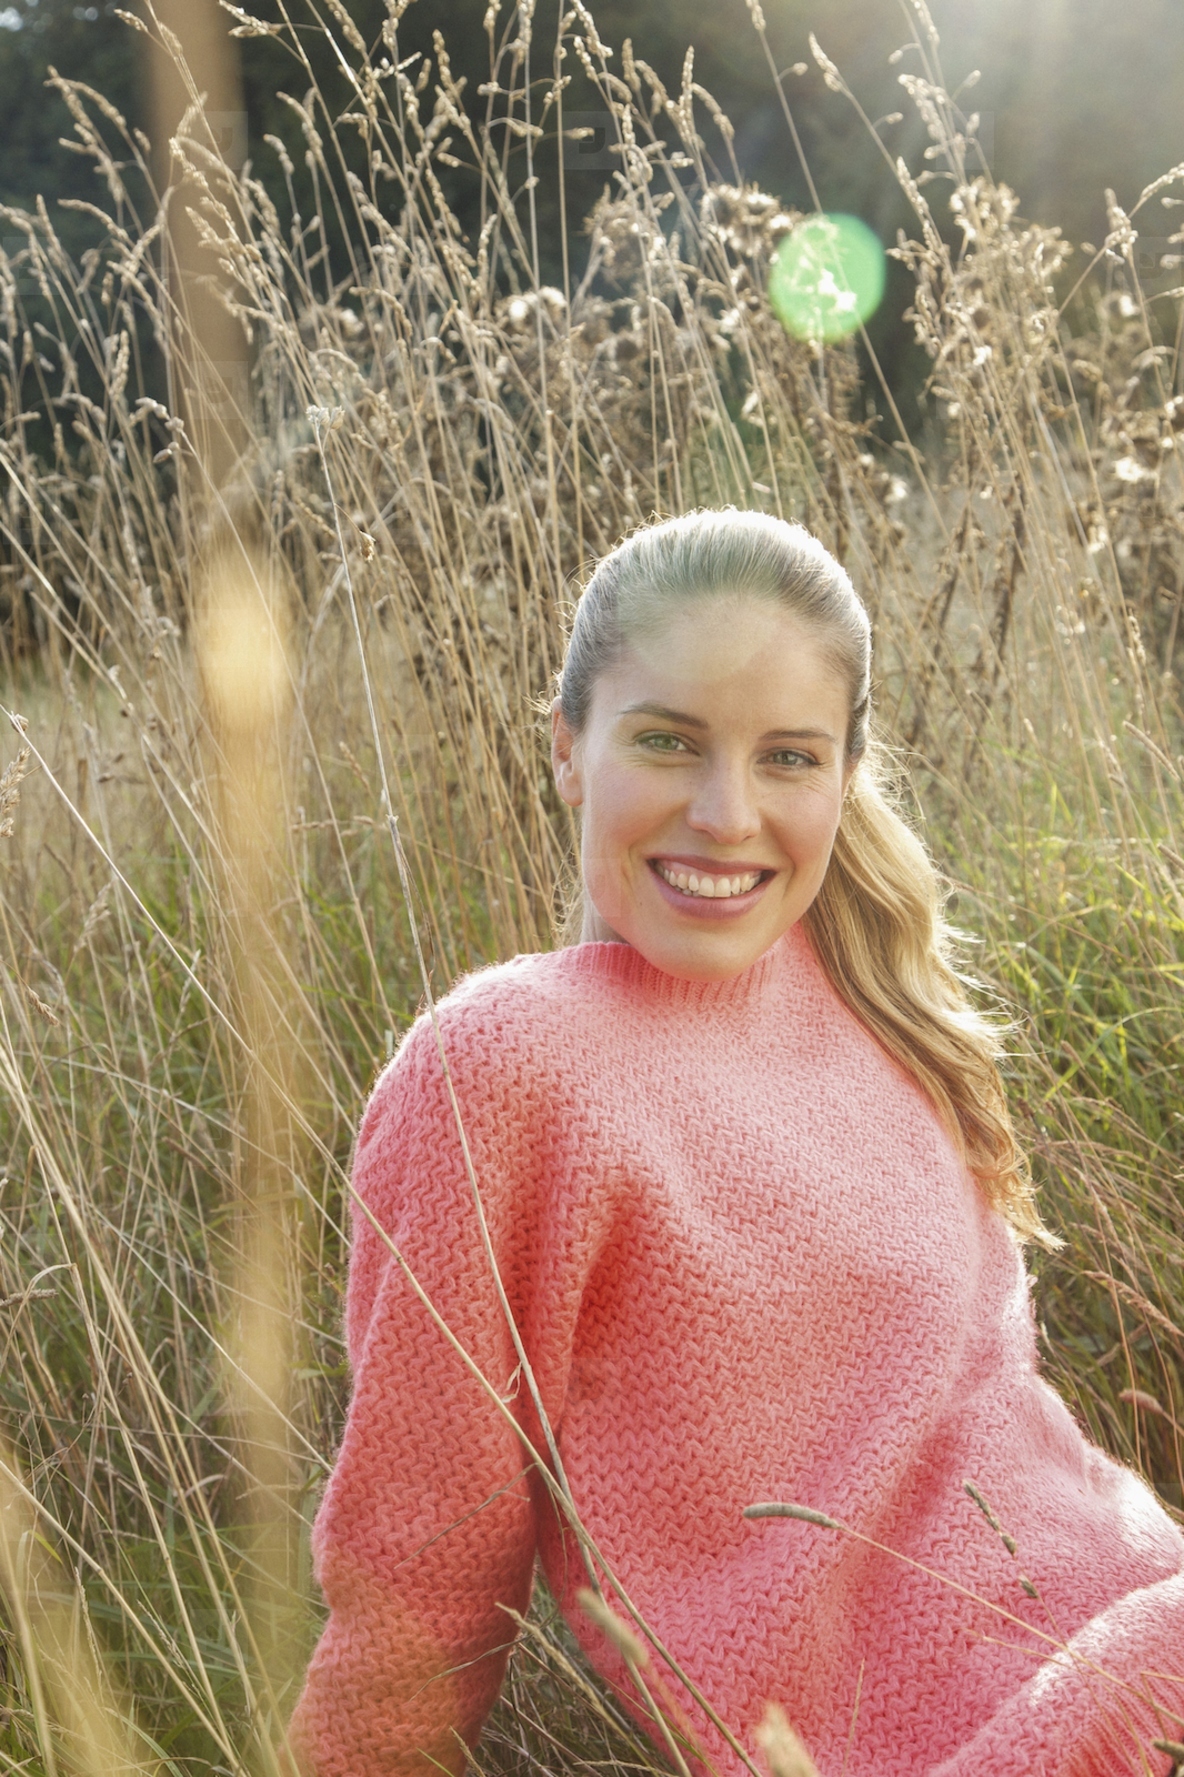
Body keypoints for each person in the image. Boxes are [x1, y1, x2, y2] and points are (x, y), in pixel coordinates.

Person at [290, 510, 1184, 1777]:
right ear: (566, 749)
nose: (724, 814)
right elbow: (417, 1579)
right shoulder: (499, 1068)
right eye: (666, 742)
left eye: (785, 757)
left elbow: (997, 1432)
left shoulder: (871, 1000)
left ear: (839, 774)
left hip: (1138, 1637)